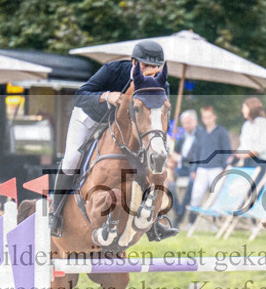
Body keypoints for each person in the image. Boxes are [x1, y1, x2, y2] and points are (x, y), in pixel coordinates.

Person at [49, 40, 176, 241]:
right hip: (90, 118)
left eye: (155, 68)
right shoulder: (114, 69)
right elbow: (80, 96)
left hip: (126, 127)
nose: (150, 73)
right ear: (134, 63)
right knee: (72, 159)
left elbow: (157, 118)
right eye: (145, 66)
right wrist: (106, 96)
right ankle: (55, 213)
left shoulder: (160, 85)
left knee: (151, 165)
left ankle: (154, 221)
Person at [186, 105, 232, 223]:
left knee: (216, 197)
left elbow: (226, 150)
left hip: (217, 169)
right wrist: (193, 169)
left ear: (214, 117)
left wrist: (224, 168)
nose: (207, 120)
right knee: (196, 196)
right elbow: (196, 152)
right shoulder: (200, 133)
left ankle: (216, 224)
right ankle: (191, 223)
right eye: (205, 117)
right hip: (202, 169)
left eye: (209, 117)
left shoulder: (221, 131)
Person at [234, 96, 266, 185]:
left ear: (251, 108)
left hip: (259, 162)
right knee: (246, 189)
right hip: (247, 162)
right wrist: (237, 154)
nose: (242, 110)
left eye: (244, 107)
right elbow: (243, 144)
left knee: (255, 189)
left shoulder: (263, 123)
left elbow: (262, 146)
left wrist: (247, 154)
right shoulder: (246, 125)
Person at [170, 109, 199, 218]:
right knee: (169, 183)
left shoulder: (200, 135)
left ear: (195, 121)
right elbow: (175, 153)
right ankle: (178, 210)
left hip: (194, 169)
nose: (186, 125)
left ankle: (181, 212)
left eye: (189, 122)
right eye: (184, 123)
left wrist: (180, 159)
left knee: (191, 184)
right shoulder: (183, 137)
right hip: (181, 170)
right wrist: (172, 159)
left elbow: (197, 157)